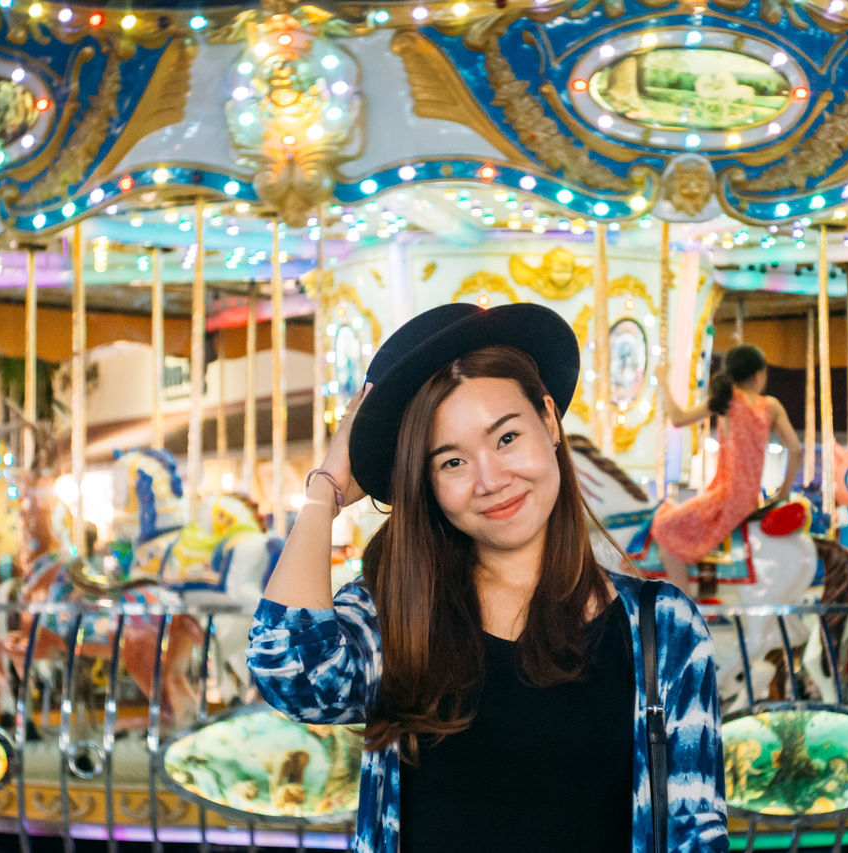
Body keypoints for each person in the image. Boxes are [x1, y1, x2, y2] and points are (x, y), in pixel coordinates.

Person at [247, 302, 728, 853]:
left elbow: (697, 831)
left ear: (548, 421)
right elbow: (288, 670)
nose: (491, 480)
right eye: (452, 462)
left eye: (505, 439)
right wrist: (326, 488)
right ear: (427, 482)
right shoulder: (399, 614)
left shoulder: (663, 629)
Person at [650, 344, 802, 591]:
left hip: (726, 498)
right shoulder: (771, 405)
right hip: (751, 499)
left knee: (663, 525)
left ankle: (685, 603)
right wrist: (783, 493)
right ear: (758, 375)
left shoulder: (728, 400)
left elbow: (678, 418)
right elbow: (795, 449)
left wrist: (663, 381)